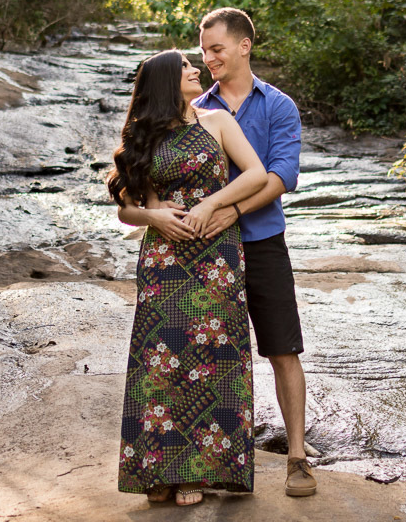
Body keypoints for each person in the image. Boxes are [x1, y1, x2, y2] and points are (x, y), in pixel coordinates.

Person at [121, 8, 317, 498]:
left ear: (243, 46)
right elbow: (138, 193)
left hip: (260, 240)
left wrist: (230, 210)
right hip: (196, 253)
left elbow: (281, 174)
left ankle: (297, 458)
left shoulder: (277, 106)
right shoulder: (187, 107)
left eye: (215, 50)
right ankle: (181, 465)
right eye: (201, 52)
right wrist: (155, 215)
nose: (207, 60)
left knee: (282, 347)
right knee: (196, 354)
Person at [109, 49, 268, 507]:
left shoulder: (216, 121)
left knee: (213, 356)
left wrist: (211, 203)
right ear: (164, 80)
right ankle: (158, 470)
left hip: (216, 253)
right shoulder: (143, 134)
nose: (195, 69)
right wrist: (154, 217)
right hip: (164, 257)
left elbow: (256, 174)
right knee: (161, 361)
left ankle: (197, 471)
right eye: (184, 66)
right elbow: (127, 208)